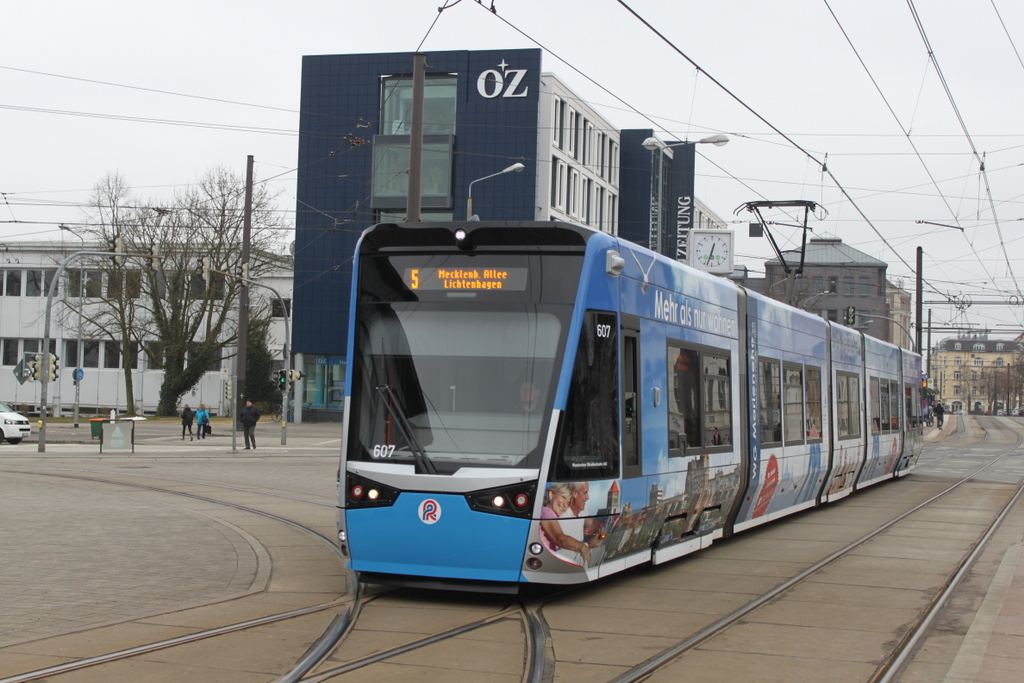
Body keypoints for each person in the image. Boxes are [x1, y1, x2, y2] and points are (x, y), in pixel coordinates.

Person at [538, 482, 592, 566]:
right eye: (563, 497)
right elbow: (559, 539)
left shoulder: (550, 514)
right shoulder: (547, 512)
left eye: (568, 503)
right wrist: (582, 547)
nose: (564, 506)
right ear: (551, 494)